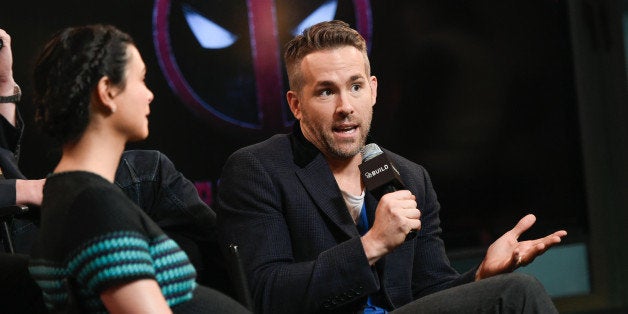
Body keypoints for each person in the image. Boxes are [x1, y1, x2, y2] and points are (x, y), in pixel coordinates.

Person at [215, 20, 568, 313]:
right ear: (296, 105)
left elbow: (432, 292)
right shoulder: (258, 169)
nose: (345, 106)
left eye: (355, 87)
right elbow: (264, 294)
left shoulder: (409, 176)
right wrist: (371, 245)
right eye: (326, 92)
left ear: (373, 91)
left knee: (507, 291)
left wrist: (480, 277)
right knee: (518, 294)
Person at [27, 24, 249, 313]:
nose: (149, 95)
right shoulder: (93, 205)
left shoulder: (70, 193)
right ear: (106, 91)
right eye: (141, 80)